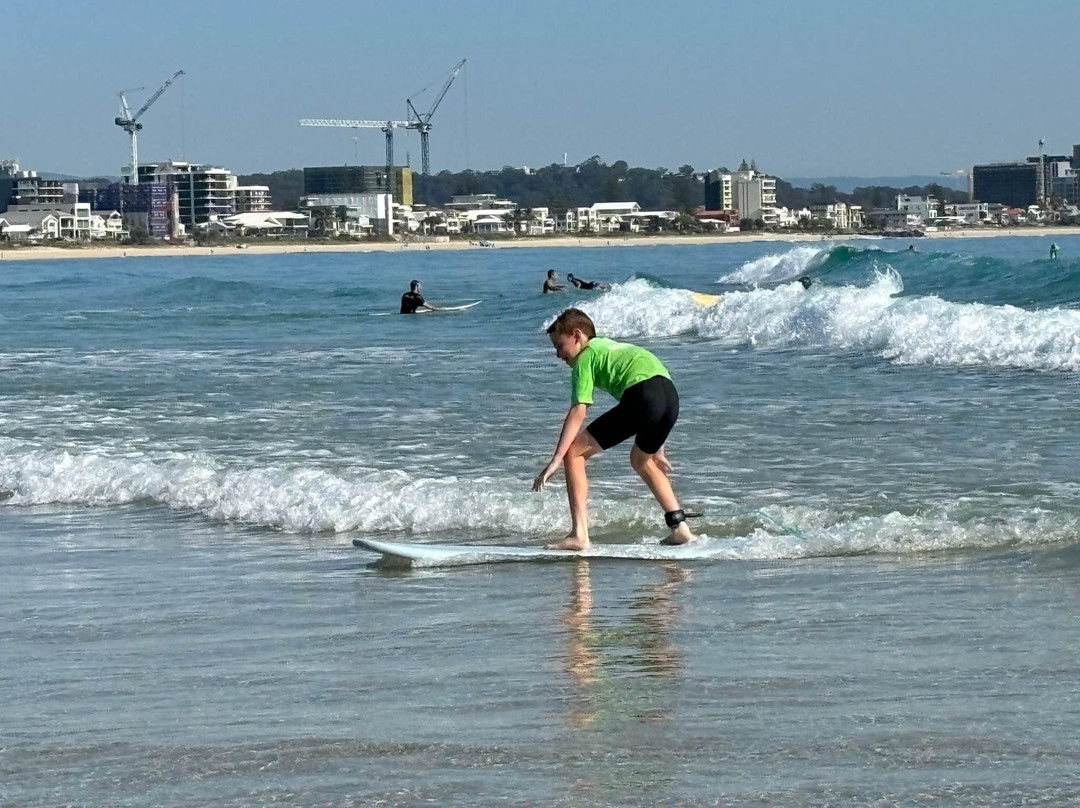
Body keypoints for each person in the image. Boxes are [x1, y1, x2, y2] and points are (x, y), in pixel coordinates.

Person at [532, 308, 695, 550]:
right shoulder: (611, 346)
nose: (557, 354)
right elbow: (655, 388)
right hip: (670, 397)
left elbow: (579, 410)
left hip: (643, 396)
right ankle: (680, 529)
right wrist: (658, 446)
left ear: (577, 336)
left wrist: (557, 458)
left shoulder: (585, 357)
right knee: (642, 460)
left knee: (573, 453)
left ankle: (580, 535)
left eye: (559, 345)